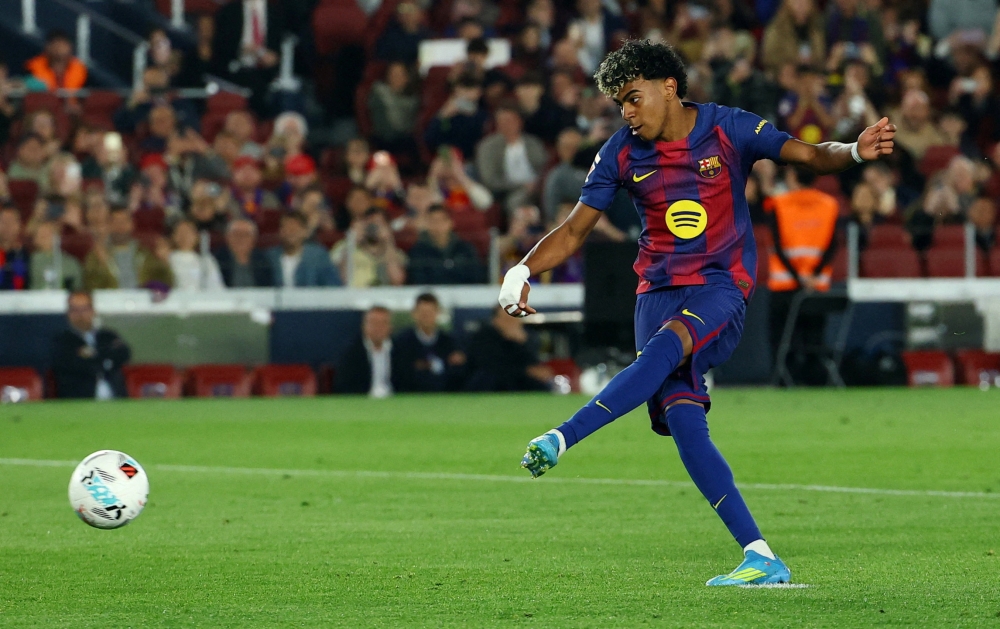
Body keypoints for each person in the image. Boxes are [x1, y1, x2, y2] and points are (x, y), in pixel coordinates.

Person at [499, 40, 896, 586]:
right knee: (685, 420)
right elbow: (574, 230)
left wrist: (853, 151)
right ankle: (760, 556)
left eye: (633, 98)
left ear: (669, 86)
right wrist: (521, 269)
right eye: (620, 104)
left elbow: (806, 154)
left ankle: (562, 437)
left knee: (665, 351)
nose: (627, 112)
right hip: (654, 292)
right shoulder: (619, 151)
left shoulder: (729, 127)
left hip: (719, 285)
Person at [765, 166, 839, 385]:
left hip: (784, 286)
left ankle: (784, 381)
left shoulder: (778, 204)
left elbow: (777, 246)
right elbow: (832, 246)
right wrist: (812, 276)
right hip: (816, 287)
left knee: (782, 339)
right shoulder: (830, 204)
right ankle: (814, 382)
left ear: (793, 175)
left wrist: (798, 278)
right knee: (813, 338)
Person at [52, 291, 130, 399]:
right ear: (68, 313)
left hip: (116, 400)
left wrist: (92, 354)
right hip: (79, 402)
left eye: (85, 309)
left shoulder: (107, 335)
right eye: (75, 310)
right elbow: (75, 364)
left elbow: (124, 354)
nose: (81, 314)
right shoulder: (62, 340)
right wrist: (106, 359)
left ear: (93, 311)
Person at [464, 305, 553, 391]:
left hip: (520, 379)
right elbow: (494, 365)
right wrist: (527, 370)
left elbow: (531, 363)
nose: (511, 323)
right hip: (492, 382)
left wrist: (520, 343)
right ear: (495, 320)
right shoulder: (484, 337)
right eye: (507, 319)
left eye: (514, 319)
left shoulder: (528, 338)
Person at [83, 207, 173, 290]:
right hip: (111, 304)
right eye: (116, 221)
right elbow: (90, 288)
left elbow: (167, 284)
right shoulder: (96, 256)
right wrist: (102, 266)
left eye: (124, 221)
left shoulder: (146, 254)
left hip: (141, 304)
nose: (120, 225)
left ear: (132, 224)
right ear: (109, 225)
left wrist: (165, 262)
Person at [393, 293, 466, 392]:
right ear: (414, 314)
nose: (426, 317)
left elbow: (455, 373)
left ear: (438, 313)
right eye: (423, 313)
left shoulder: (449, 342)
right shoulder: (402, 342)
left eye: (430, 312)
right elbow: (402, 374)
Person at [406, 204, 484, 285]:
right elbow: (417, 280)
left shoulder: (465, 250)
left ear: (451, 222)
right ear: (427, 224)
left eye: (441, 220)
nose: (437, 225)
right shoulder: (418, 252)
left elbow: (476, 277)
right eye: (432, 221)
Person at [336, 306, 400, 397]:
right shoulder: (351, 353)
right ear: (364, 326)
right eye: (374, 323)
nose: (378, 328)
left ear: (390, 327)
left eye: (383, 323)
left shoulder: (400, 351)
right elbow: (344, 386)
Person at [267, 211, 341, 287]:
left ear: (305, 232)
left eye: (295, 228)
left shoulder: (318, 257)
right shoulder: (269, 258)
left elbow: (333, 286)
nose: (291, 232)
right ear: (280, 231)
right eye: (287, 227)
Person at [214, 218, 274, 288]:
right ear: (227, 237)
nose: (241, 238)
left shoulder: (264, 261)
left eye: (246, 235)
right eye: (236, 234)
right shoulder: (216, 260)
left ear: (254, 239)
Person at [169, 219, 225, 291]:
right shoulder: (167, 259)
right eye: (180, 232)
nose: (184, 237)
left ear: (196, 236)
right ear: (173, 236)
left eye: (188, 233)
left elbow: (216, 287)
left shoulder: (206, 260)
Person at [30, 220, 84, 290]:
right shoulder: (28, 262)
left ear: (58, 237)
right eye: (41, 235)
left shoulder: (71, 263)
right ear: (35, 239)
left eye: (48, 234)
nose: (45, 238)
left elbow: (77, 289)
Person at [0, 206, 30, 290]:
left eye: (11, 221)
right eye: (3, 222)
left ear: (19, 225)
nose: (7, 226)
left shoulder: (26, 254)